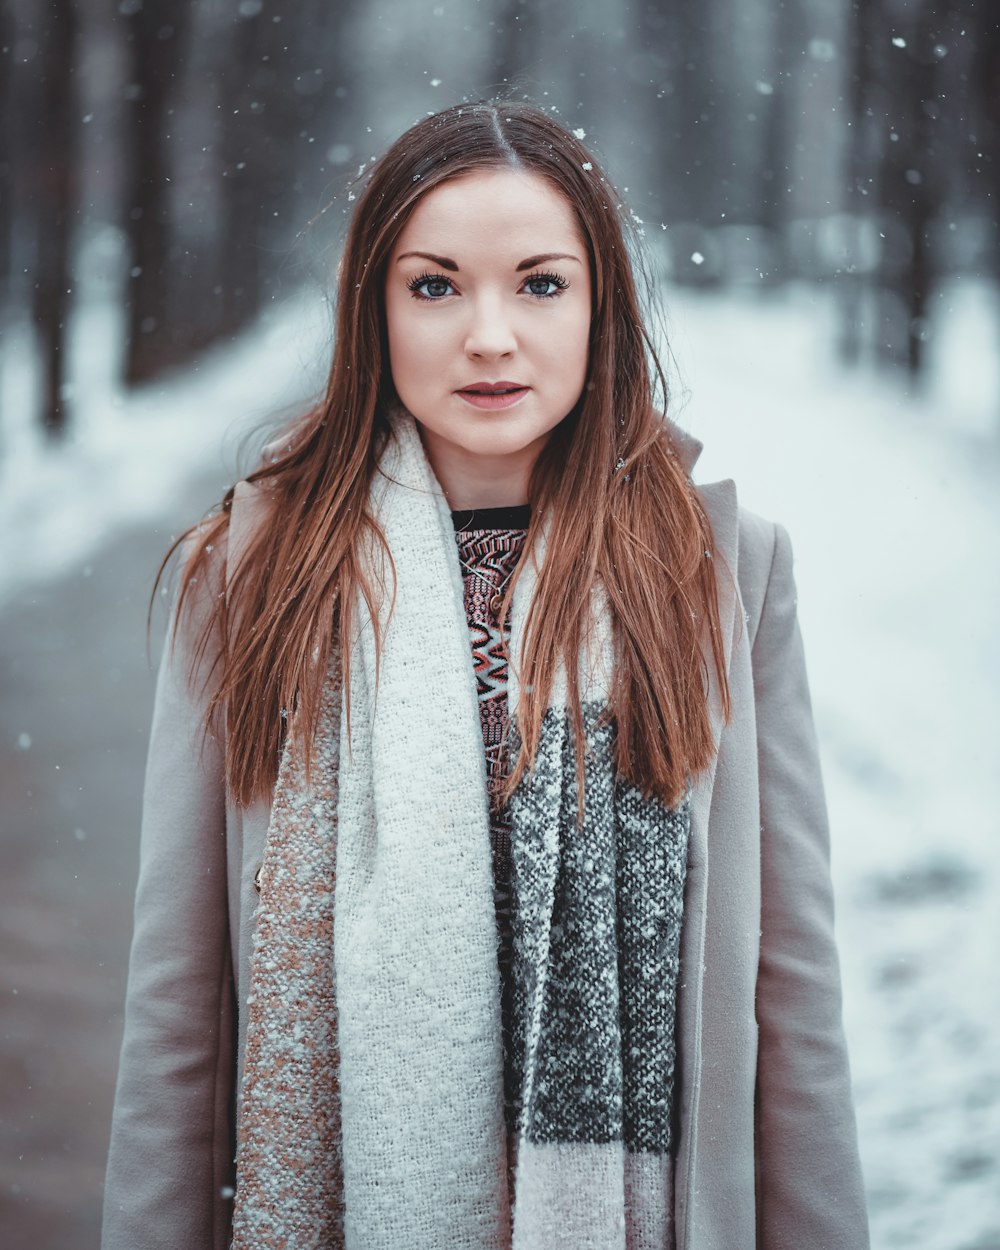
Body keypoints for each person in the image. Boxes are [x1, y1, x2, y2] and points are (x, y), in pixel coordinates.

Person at [102, 100, 869, 1250]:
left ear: (601, 304)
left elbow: (788, 989)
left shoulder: (718, 573)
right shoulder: (260, 574)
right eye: (435, 284)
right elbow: (180, 1003)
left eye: (540, 283)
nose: (491, 335)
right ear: (374, 308)